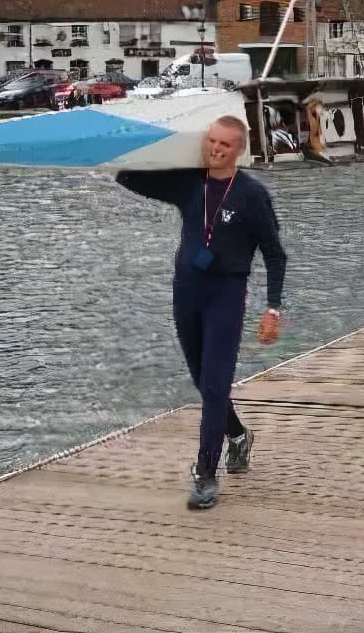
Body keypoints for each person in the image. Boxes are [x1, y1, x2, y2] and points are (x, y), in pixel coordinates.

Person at [116, 115, 287, 510]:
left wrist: (273, 309)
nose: (215, 149)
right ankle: (239, 436)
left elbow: (275, 254)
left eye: (225, 145)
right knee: (202, 381)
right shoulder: (189, 185)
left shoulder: (252, 195)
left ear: (239, 150)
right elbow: (127, 177)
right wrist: (162, 148)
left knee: (214, 386)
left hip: (226, 294)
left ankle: (206, 475)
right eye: (211, 141)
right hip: (187, 292)